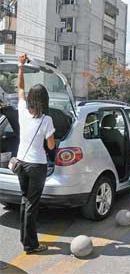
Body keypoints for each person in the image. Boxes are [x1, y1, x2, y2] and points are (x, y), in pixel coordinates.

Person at [16, 54, 55, 254]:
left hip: (20, 163)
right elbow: (50, 146)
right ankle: (31, 244)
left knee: (24, 199)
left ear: (31, 99)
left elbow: (20, 88)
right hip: (36, 166)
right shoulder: (46, 120)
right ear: (45, 100)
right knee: (32, 204)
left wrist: (21, 66)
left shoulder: (22, 109)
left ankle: (24, 239)